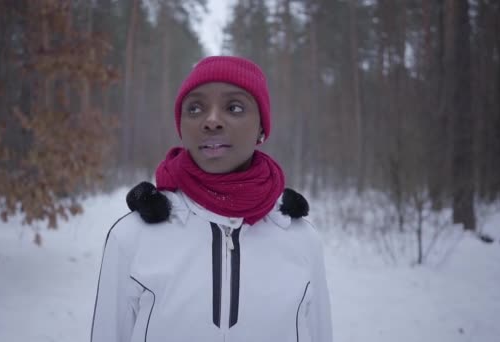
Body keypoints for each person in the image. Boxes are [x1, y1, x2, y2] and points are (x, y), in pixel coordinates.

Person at [90, 56, 332, 342]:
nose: (212, 120)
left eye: (234, 107)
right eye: (195, 108)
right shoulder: (132, 236)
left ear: (262, 129)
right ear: (182, 126)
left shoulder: (301, 239)